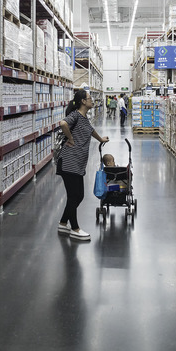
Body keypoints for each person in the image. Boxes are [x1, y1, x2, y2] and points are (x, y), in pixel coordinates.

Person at [56, 89, 109, 240]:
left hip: (77, 163)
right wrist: (70, 138)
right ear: (83, 102)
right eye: (89, 98)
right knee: (75, 196)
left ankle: (63, 222)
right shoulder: (75, 115)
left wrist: (101, 139)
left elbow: (90, 130)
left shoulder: (84, 117)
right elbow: (63, 123)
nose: (92, 100)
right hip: (69, 162)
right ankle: (75, 228)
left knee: (78, 196)